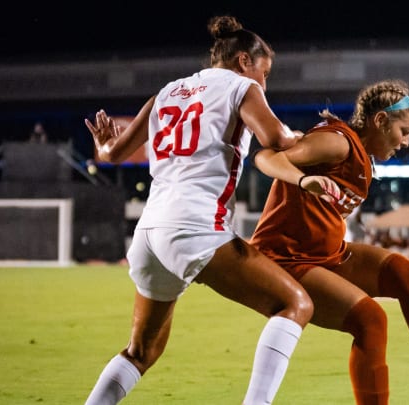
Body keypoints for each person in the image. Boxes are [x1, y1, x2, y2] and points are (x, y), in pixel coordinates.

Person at [82, 15, 341, 405]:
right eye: (264, 72)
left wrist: (103, 143)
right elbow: (275, 137)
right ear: (243, 62)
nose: (264, 83)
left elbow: (112, 154)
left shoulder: (166, 93)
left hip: (149, 234)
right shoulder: (242, 87)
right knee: (296, 303)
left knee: (140, 352)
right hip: (195, 227)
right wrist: (310, 137)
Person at [249, 79, 409, 404]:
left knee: (405, 272)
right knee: (370, 319)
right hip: (284, 259)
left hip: (323, 255)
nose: (406, 142)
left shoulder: (361, 159)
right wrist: (302, 179)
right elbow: (267, 158)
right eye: (404, 131)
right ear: (381, 121)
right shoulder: (338, 143)